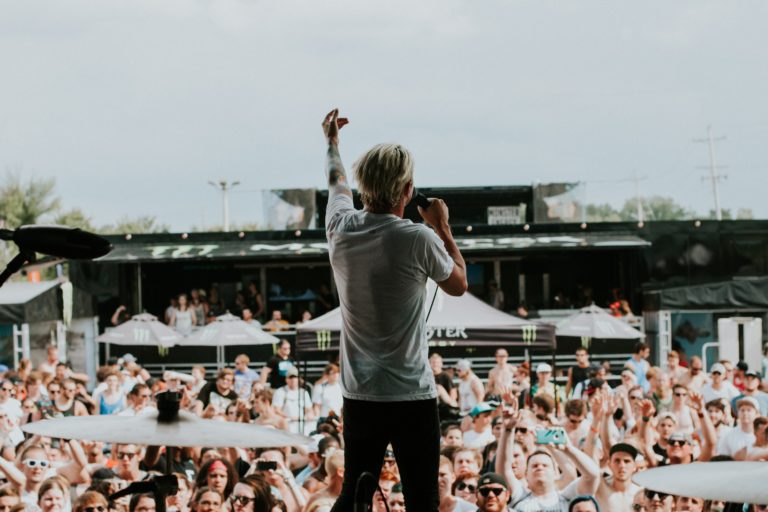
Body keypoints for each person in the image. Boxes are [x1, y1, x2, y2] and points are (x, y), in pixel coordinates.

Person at [321, 108, 467, 511]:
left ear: (365, 187)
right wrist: (442, 225)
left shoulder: (340, 226)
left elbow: (335, 181)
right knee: (422, 499)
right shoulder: (418, 238)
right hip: (410, 395)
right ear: (407, 190)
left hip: (359, 392)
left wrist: (332, 143)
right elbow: (458, 284)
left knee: (355, 494)